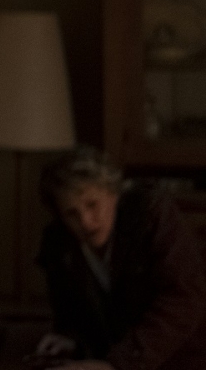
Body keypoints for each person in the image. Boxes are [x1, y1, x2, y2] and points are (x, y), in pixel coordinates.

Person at [32, 147, 206, 370]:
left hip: (181, 357)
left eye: (92, 205)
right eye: (71, 213)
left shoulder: (151, 216)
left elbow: (185, 299)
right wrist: (71, 338)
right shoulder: (58, 244)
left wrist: (120, 364)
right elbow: (71, 312)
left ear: (113, 194)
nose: (85, 221)